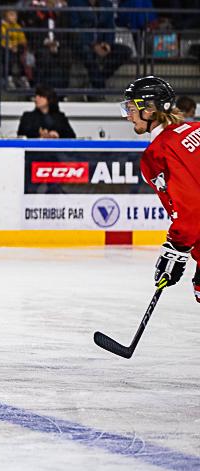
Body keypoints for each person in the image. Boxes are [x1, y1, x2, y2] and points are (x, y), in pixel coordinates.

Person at [120, 76, 200, 303]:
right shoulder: (197, 128)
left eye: (131, 107)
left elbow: (191, 211)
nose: (128, 115)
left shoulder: (157, 154)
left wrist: (176, 248)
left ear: (150, 109)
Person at [70, 0, 132, 91]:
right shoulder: (75, 3)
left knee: (125, 51)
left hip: (102, 43)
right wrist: (93, 45)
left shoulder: (107, 5)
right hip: (83, 43)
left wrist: (107, 43)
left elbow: (110, 27)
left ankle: (97, 82)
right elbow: (75, 28)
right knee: (87, 52)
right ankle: (98, 87)